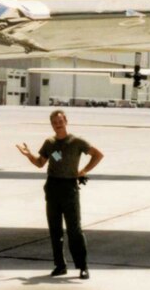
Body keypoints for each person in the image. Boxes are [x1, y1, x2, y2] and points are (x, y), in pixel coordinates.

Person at [16, 109, 104, 279]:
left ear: (66, 121)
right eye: (54, 123)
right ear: (52, 125)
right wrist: (28, 155)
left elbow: (98, 155)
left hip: (69, 188)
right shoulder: (49, 143)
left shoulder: (77, 141)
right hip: (53, 187)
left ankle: (82, 266)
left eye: (60, 121)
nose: (58, 125)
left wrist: (83, 170)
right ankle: (60, 265)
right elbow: (40, 163)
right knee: (55, 230)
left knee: (74, 230)